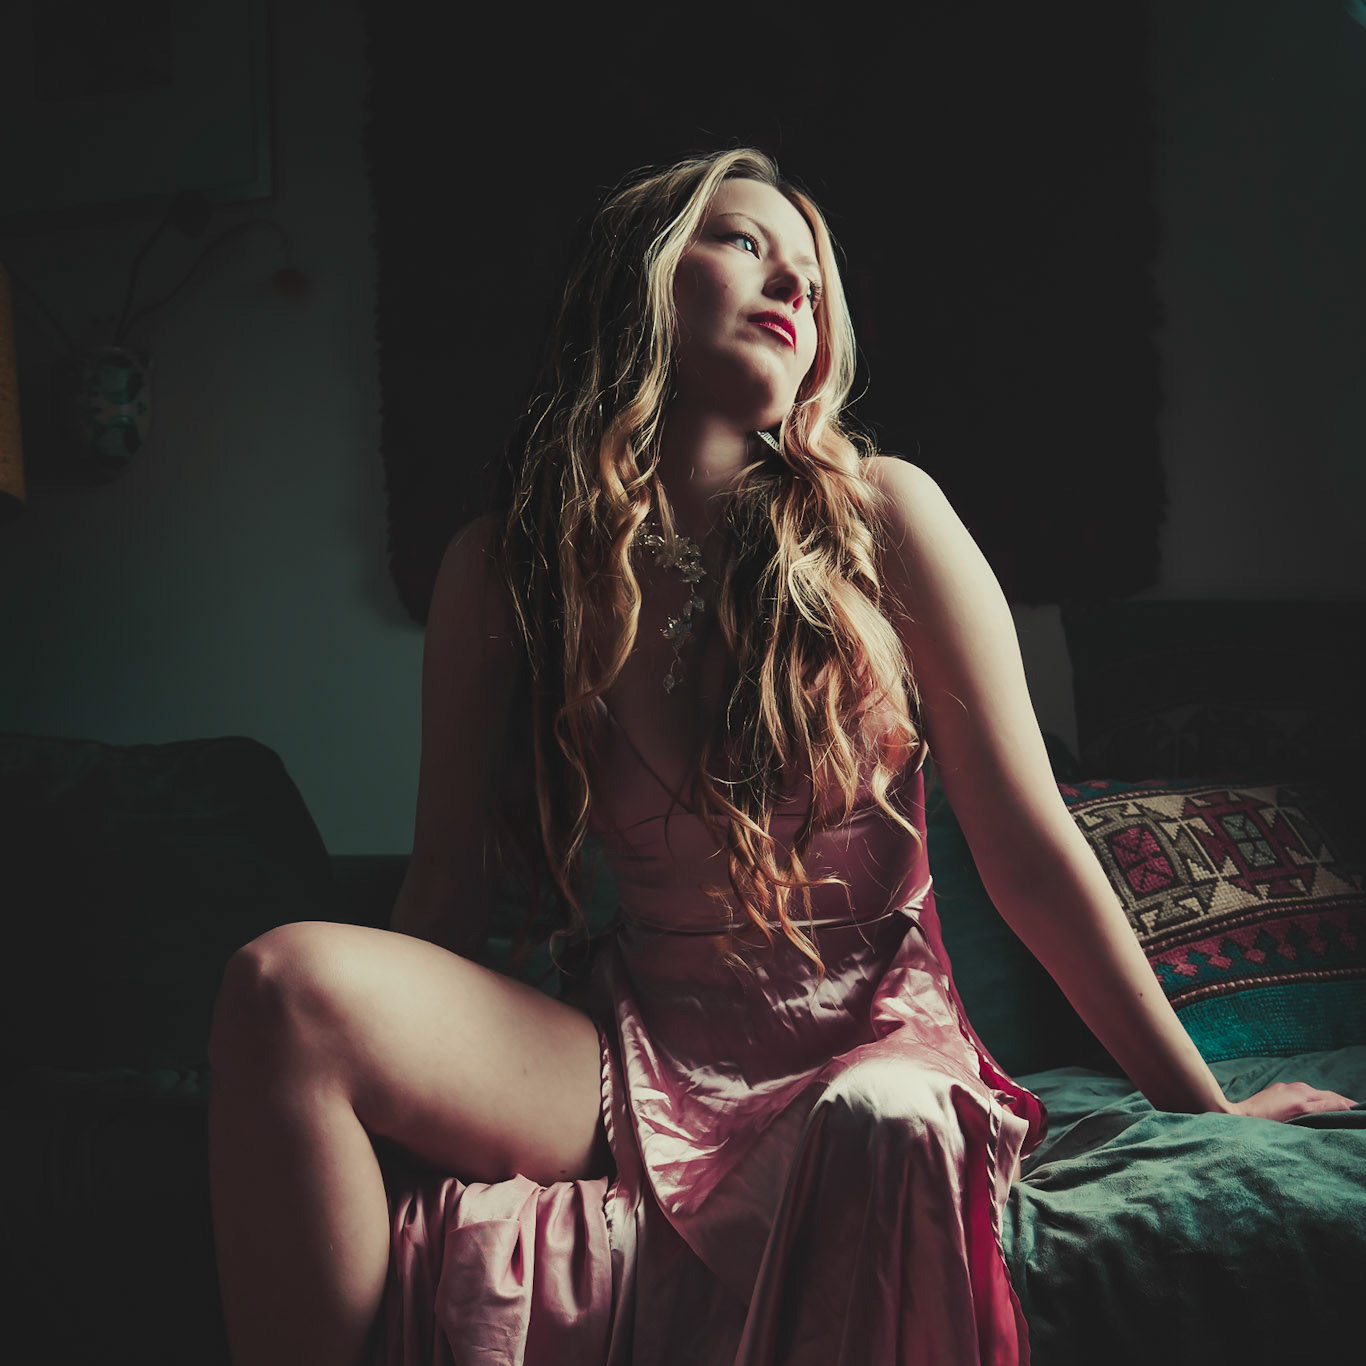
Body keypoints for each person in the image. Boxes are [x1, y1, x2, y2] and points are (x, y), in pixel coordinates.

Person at [206, 147, 1359, 1366]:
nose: (793, 284)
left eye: (810, 273)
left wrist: (1208, 1108)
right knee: (283, 984)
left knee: (877, 1117)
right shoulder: (502, 565)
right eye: (745, 241)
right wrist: (393, 1122)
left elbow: (1028, 854)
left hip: (863, 1045)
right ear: (641, 277)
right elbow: (442, 891)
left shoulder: (884, 515)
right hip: (624, 1053)